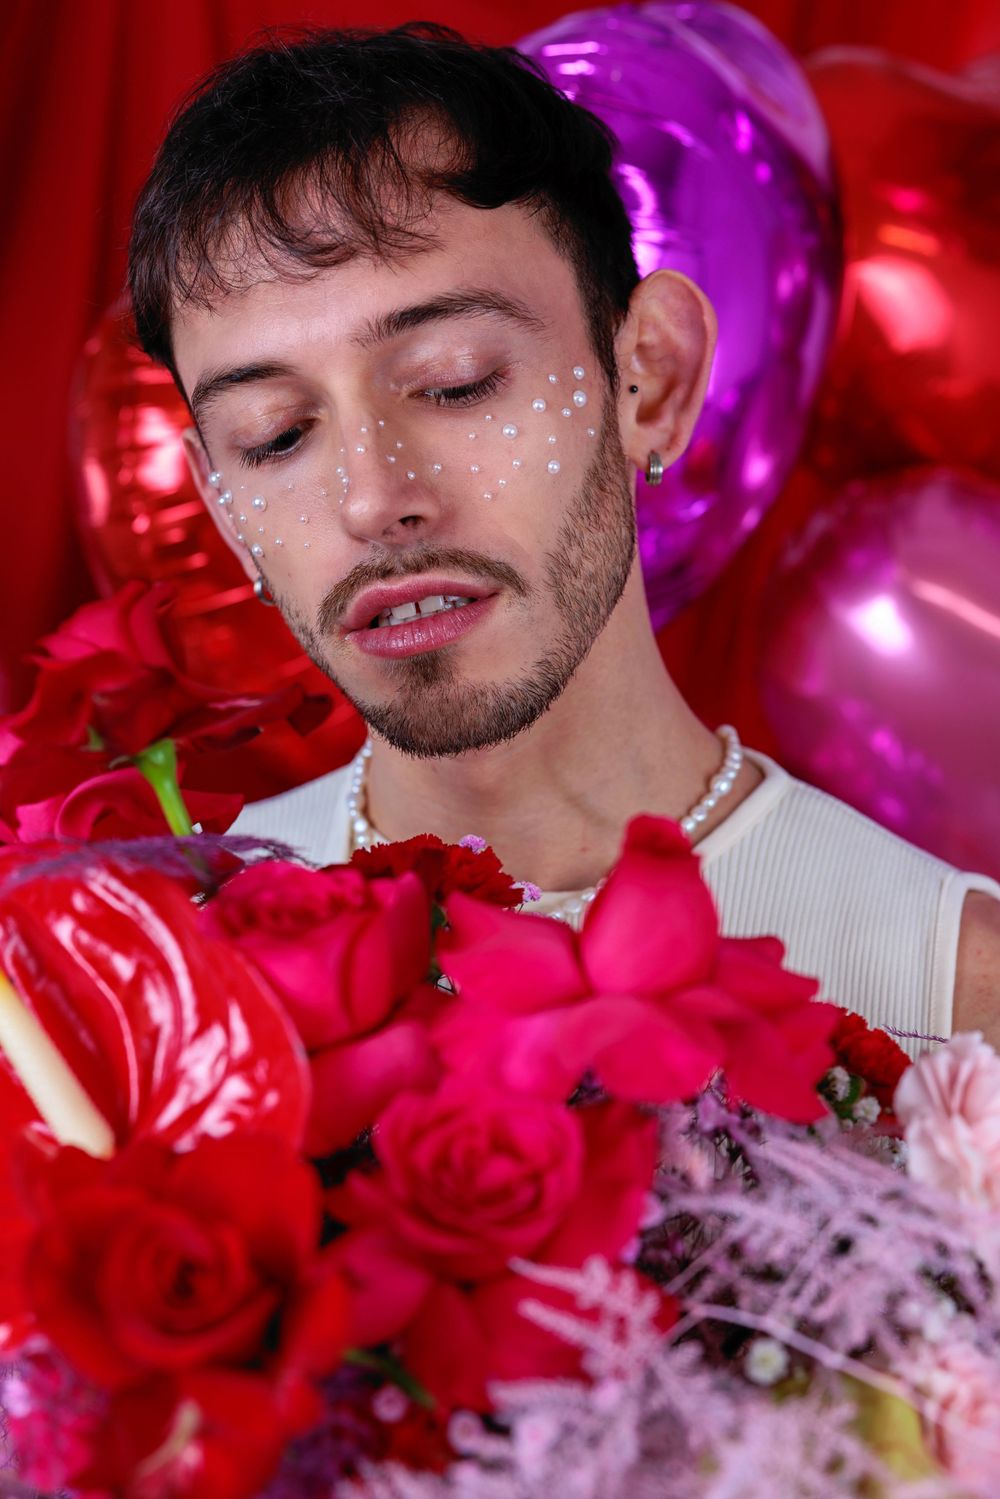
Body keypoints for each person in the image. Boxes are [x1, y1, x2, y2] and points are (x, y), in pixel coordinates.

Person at [128, 23, 1000, 1052]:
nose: (372, 498)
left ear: (651, 379)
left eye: (453, 381)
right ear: (225, 506)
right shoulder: (169, 980)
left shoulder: (958, 990)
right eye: (274, 436)